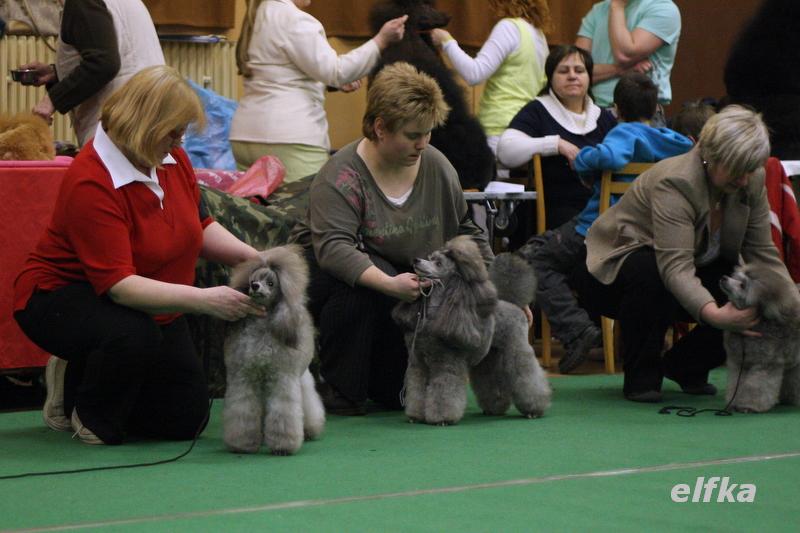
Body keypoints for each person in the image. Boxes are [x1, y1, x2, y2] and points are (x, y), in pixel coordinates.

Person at [13, 66, 266, 445]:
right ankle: (88, 413)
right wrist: (205, 299)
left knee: (186, 419)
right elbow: (120, 287)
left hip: (148, 296)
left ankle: (91, 373)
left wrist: (257, 258)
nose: (180, 141)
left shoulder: (171, 157)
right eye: (173, 131)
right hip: (64, 296)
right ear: (144, 124)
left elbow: (200, 225)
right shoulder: (91, 179)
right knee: (132, 334)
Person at [289, 62, 492, 415]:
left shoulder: (438, 167)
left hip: (403, 277)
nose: (423, 143)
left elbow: (466, 231)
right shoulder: (340, 175)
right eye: (413, 135)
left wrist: (497, 289)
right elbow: (335, 250)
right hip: (334, 278)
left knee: (392, 393)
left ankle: (382, 384)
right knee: (361, 290)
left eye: (428, 133)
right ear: (380, 128)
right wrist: (388, 283)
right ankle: (340, 390)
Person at [574, 105, 799, 402]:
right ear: (711, 155)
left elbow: (762, 254)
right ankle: (642, 377)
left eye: (751, 169)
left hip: (687, 265)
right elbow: (675, 268)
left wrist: (793, 308)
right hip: (612, 275)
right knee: (650, 273)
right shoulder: (676, 182)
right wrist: (716, 315)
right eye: (737, 169)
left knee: (749, 288)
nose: (745, 179)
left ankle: (685, 366)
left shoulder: (750, 178)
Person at [518, 72, 693, 374]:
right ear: (654, 110)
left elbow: (611, 157)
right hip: (649, 235)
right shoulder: (673, 142)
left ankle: (576, 330)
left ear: (616, 110)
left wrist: (584, 157)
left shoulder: (623, 133)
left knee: (533, 258)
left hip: (601, 228)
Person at [229, 0, 408, 182]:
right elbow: (337, 71)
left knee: (256, 210)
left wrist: (330, 83)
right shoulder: (295, 20)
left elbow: (280, 73)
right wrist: (380, 41)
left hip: (244, 137)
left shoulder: (258, 16)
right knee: (309, 207)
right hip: (290, 141)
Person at [497, 45, 617, 231]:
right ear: (550, 77)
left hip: (603, 213)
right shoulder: (537, 110)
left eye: (579, 70)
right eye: (563, 71)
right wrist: (555, 144)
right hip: (554, 218)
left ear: (589, 77)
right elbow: (506, 151)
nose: (572, 76)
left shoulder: (604, 117)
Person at [14, 0, 164, 146]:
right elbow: (123, 55)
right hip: (151, 119)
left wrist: (50, 101)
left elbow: (103, 63)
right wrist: (56, 72)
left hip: (121, 126)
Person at [430, 0, 551, 157]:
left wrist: (446, 41)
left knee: (495, 181)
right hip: (525, 128)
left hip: (498, 128)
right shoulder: (539, 36)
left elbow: (475, 73)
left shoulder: (509, 27)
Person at [575, 0, 681, 125]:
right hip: (593, 111)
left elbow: (624, 54)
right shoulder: (598, 10)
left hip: (639, 113)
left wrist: (617, 6)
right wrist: (617, 70)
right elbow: (577, 70)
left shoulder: (663, 8)